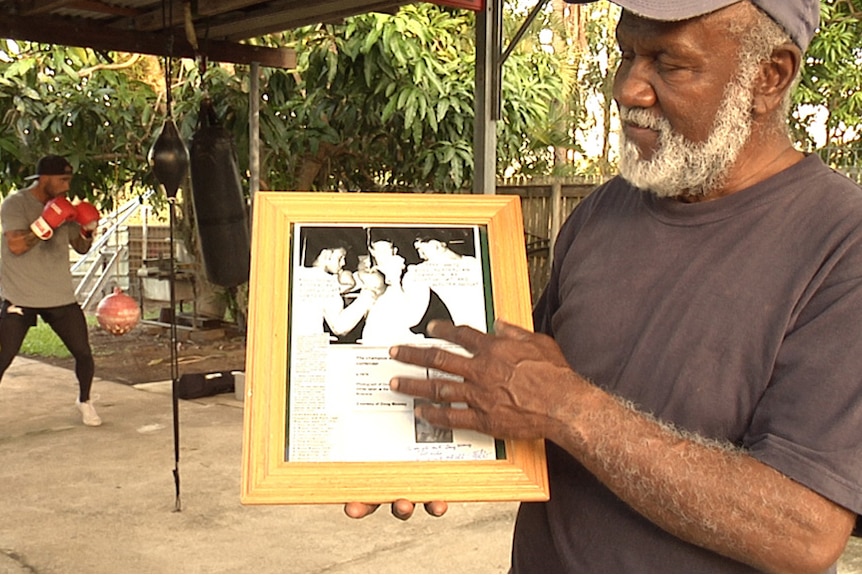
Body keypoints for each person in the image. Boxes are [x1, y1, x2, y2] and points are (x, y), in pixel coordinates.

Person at [344, 1, 862, 572]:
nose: (628, 89)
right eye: (626, 53)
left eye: (670, 64)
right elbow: (519, 392)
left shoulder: (842, 244)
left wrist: (566, 407)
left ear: (771, 75)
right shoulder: (602, 213)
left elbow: (804, 532)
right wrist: (405, 451)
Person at [0, 155, 103, 427]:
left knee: (83, 353)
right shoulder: (16, 204)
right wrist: (46, 223)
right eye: (63, 180)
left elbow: (81, 248)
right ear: (44, 179)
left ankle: (85, 401)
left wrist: (88, 230)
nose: (67, 186)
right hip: (19, 295)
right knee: (3, 356)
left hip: (59, 295)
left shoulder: (65, 208)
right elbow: (16, 246)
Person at [292, 241, 377, 339]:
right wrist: (366, 297)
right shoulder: (326, 281)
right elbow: (340, 327)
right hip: (310, 345)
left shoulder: (297, 272)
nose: (343, 263)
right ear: (326, 254)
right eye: (340, 258)